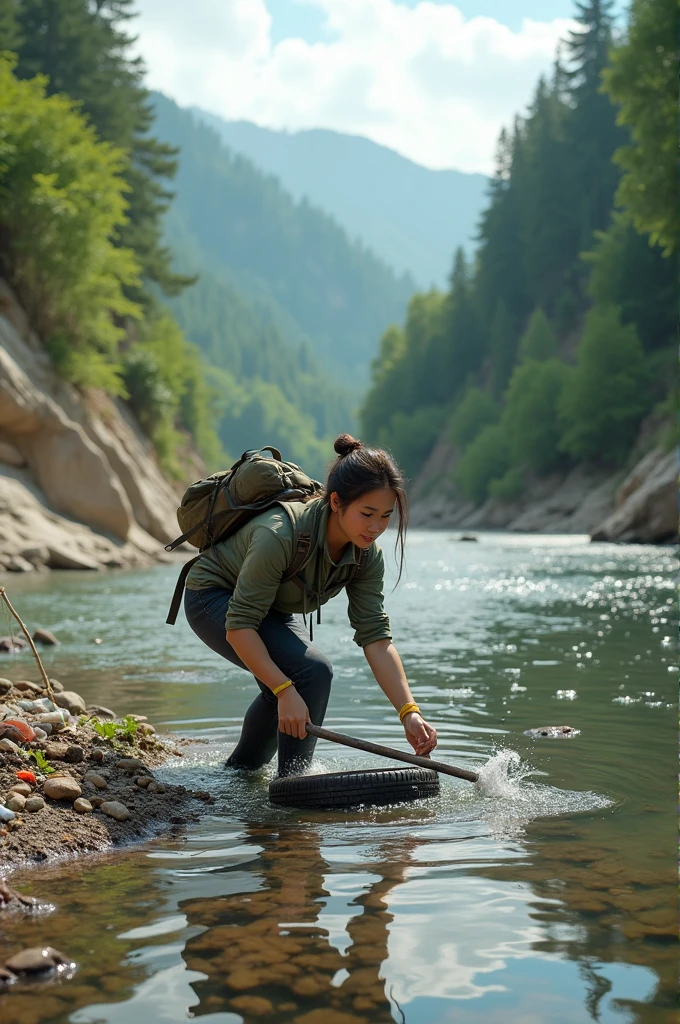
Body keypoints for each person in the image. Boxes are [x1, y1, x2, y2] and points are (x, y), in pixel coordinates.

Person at [183, 433, 437, 776]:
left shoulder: (365, 557)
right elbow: (240, 626)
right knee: (310, 674)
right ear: (336, 502)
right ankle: (294, 781)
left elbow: (376, 638)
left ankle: (238, 775)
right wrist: (285, 689)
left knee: (300, 680)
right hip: (213, 596)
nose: (376, 527)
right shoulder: (279, 535)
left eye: (385, 516)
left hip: (268, 606)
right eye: (367, 513)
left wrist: (409, 712)